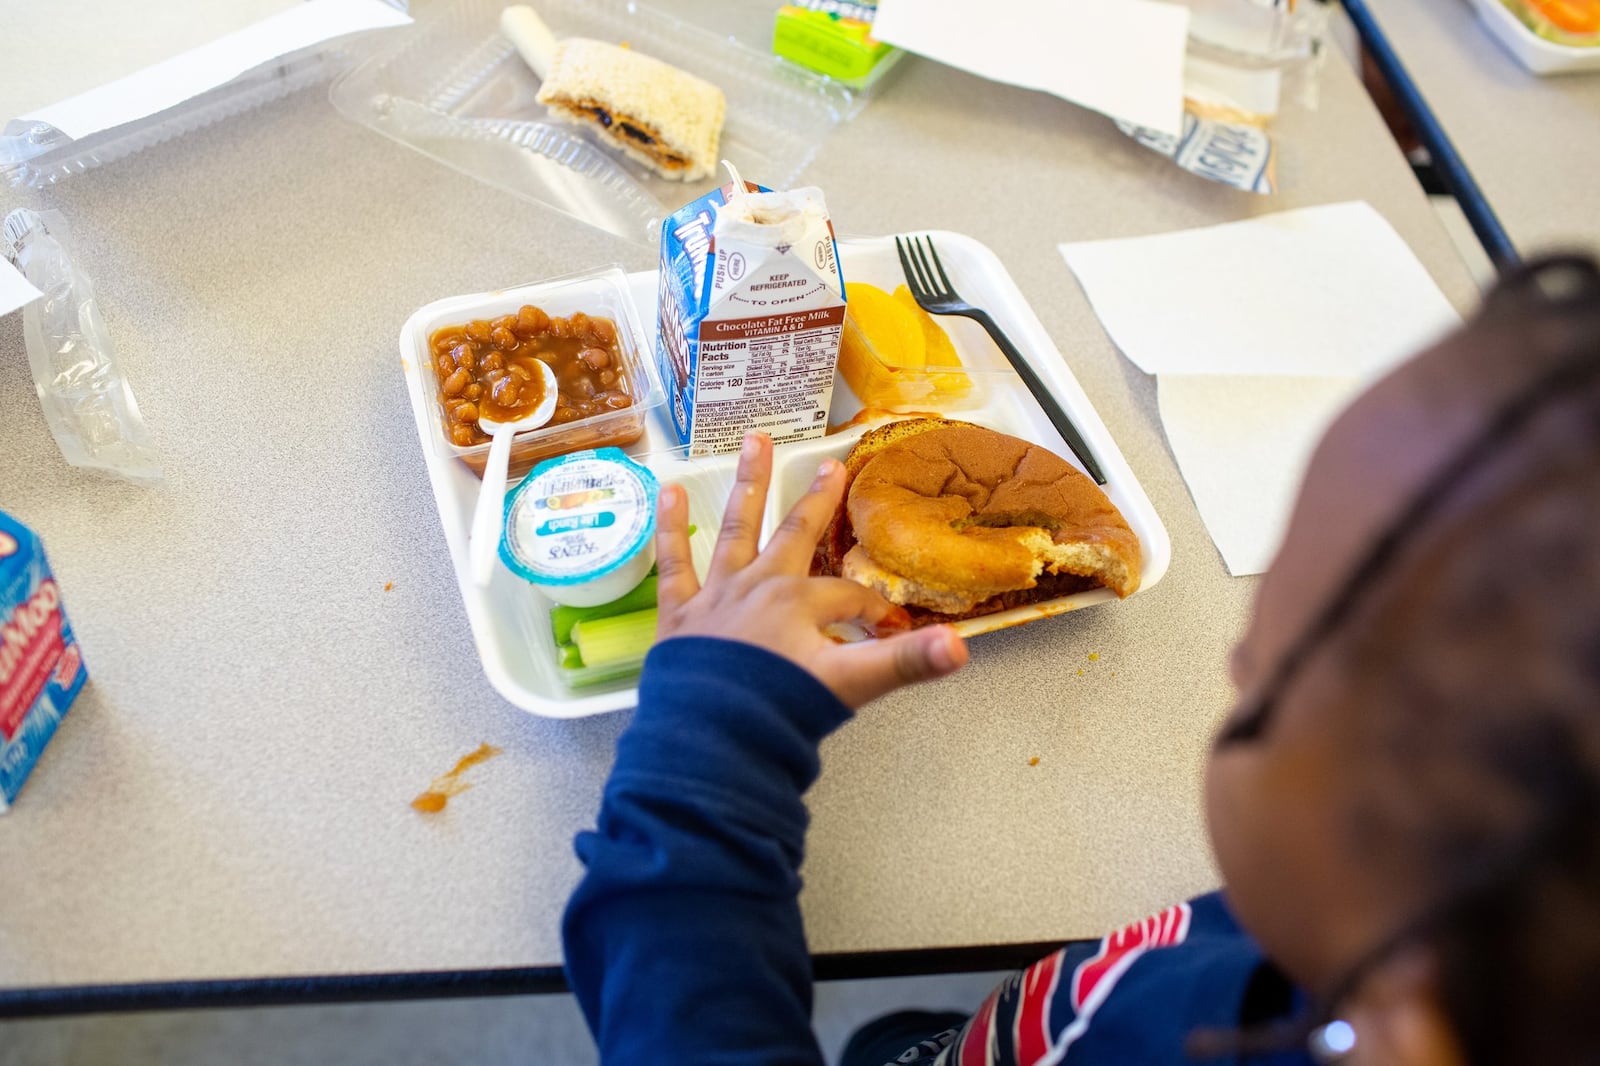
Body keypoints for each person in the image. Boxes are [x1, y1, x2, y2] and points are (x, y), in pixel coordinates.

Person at [561, 254, 1600, 1066]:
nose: (1231, 652)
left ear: (1409, 991)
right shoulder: (1407, 927)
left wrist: (701, 758)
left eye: (1259, 688)